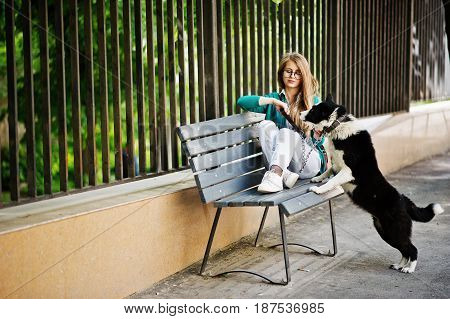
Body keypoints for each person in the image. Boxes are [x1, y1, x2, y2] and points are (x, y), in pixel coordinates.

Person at [236, 52, 326, 193]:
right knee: (265, 125)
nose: (292, 76)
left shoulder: (313, 102)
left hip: (308, 163)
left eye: (298, 73)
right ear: (281, 73)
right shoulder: (273, 99)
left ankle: (276, 175)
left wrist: (314, 133)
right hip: (288, 168)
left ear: (304, 76)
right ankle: (281, 174)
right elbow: (242, 102)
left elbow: (319, 143)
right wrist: (272, 101)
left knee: (286, 133)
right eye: (288, 71)